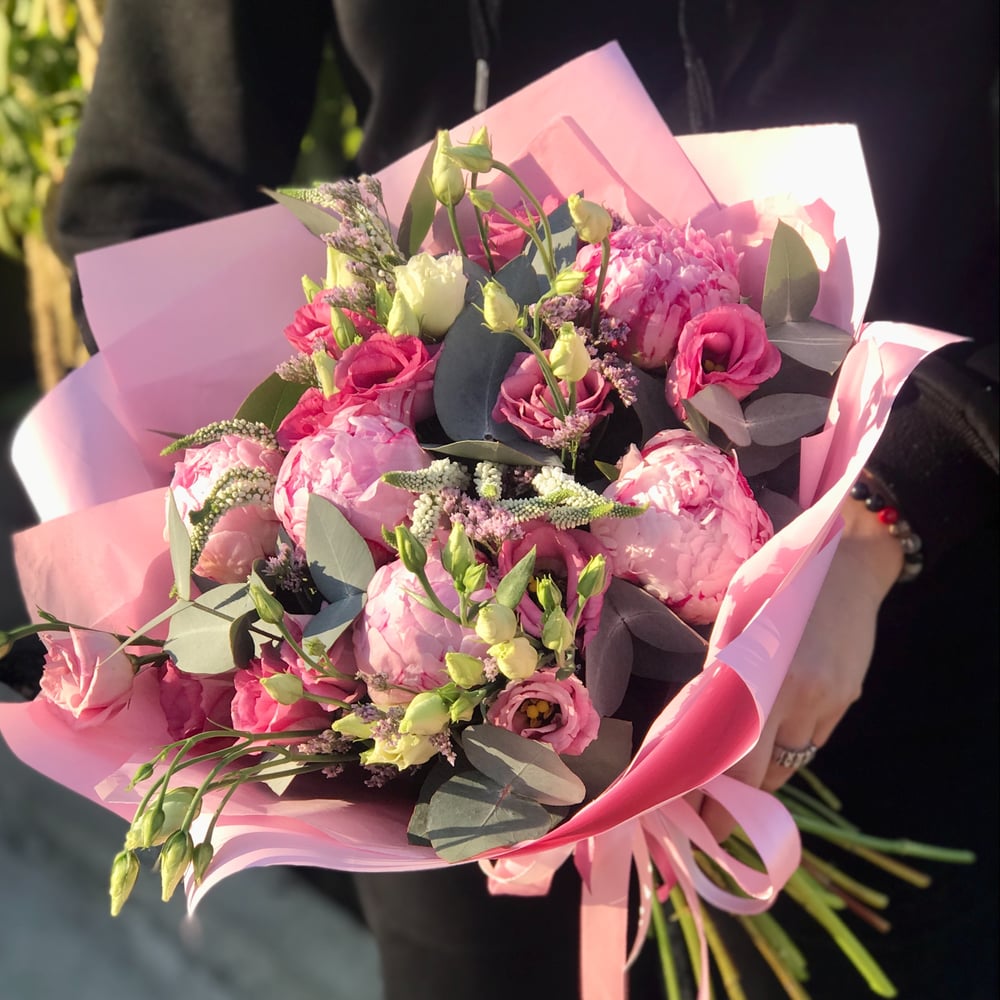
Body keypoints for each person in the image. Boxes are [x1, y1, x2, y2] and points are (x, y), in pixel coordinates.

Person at [45, 2, 999, 997]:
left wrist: (886, 512)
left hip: (882, 647)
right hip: (449, 764)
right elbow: (147, 196)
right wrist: (279, 556)